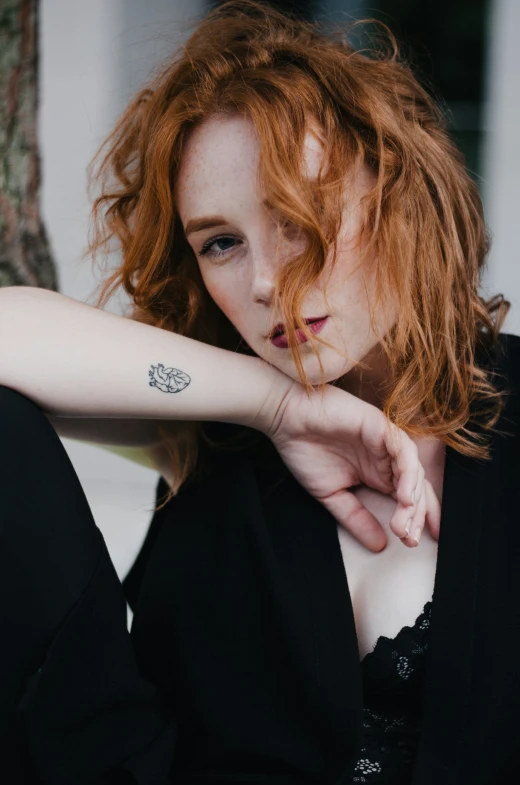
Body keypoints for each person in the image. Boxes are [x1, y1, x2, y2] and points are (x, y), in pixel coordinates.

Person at [0, 1, 518, 783]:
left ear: (397, 193)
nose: (268, 282)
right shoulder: (207, 434)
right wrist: (275, 404)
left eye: (299, 217)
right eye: (221, 242)